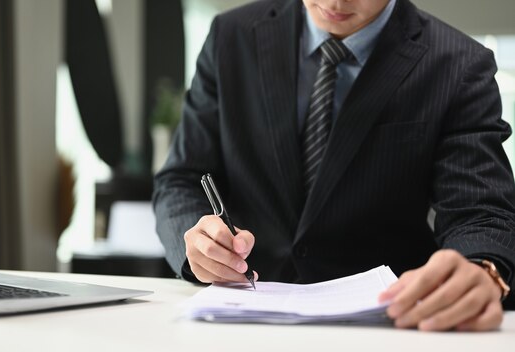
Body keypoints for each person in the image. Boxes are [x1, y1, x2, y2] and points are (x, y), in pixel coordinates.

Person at [153, 0, 515, 331]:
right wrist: (197, 242)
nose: (335, 3)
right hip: (240, 322)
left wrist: (481, 270)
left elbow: (481, 214)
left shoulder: (458, 64)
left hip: (390, 328)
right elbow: (180, 180)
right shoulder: (230, 37)